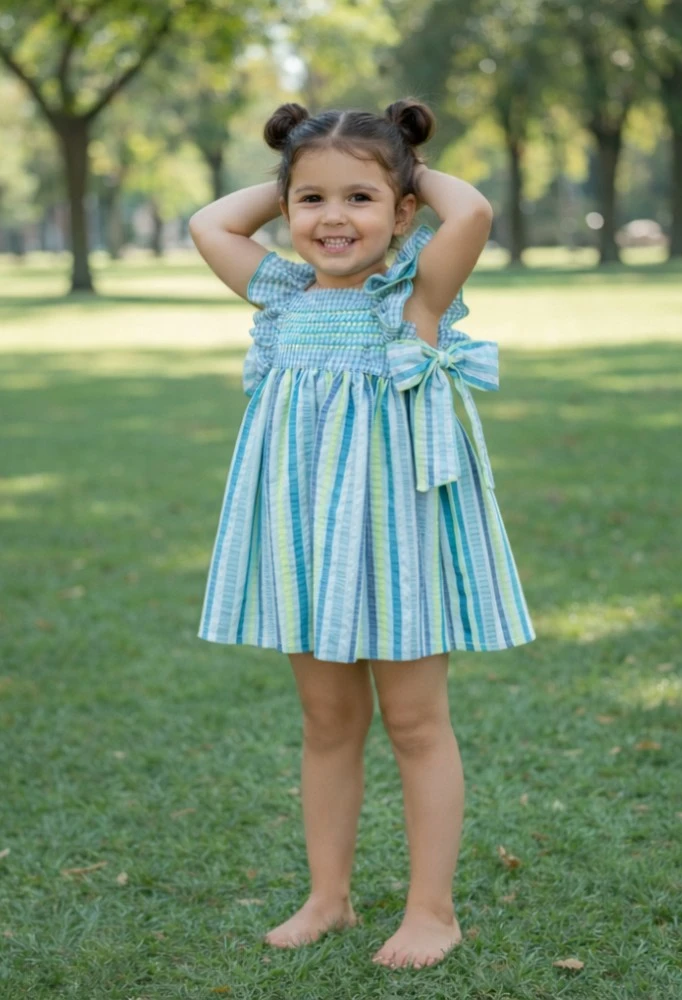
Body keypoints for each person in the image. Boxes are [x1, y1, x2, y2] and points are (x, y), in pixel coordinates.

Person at [189, 97, 536, 971]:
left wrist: (397, 166)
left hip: (399, 540)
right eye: (311, 202)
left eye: (360, 200)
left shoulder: (414, 291)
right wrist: (304, 177)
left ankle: (433, 912)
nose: (334, 218)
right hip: (308, 537)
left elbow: (476, 210)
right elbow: (208, 221)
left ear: (404, 211)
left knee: (416, 722)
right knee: (325, 719)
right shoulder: (283, 290)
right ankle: (329, 898)